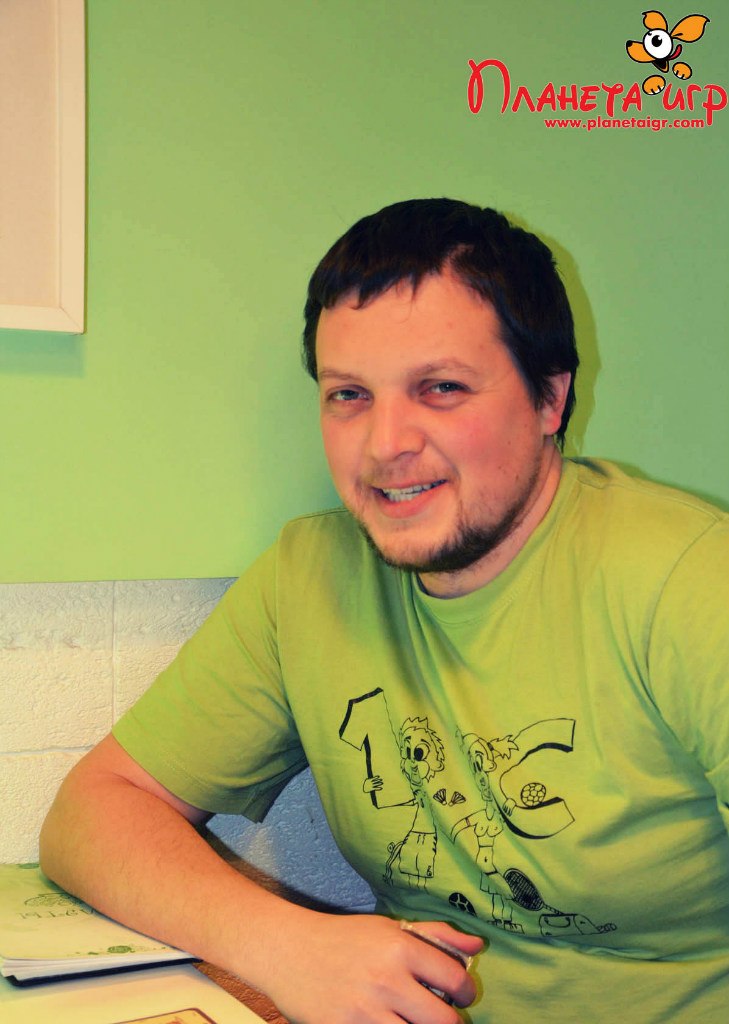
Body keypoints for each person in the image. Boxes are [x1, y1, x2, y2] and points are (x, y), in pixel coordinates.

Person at [40, 198, 729, 1023]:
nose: (384, 444)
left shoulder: (690, 581)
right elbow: (93, 810)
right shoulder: (310, 575)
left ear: (549, 399)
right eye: (349, 395)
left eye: (441, 388)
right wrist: (282, 945)